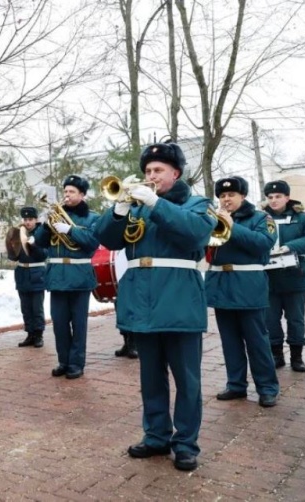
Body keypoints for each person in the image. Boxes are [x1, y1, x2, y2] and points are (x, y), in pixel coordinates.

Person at [94, 142, 215, 472]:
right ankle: (156, 435)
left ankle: (186, 443)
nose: (151, 176)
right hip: (142, 302)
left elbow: (195, 234)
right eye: (148, 171)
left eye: (158, 170)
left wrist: (157, 203)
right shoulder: (136, 207)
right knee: (151, 377)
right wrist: (118, 211)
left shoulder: (197, 203)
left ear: (175, 173)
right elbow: (106, 239)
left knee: (187, 380)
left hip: (179, 302)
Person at [205, 176, 279, 407]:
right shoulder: (213, 219)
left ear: (243, 196)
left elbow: (262, 243)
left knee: (256, 340)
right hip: (220, 284)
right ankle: (236, 385)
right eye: (223, 196)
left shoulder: (260, 217)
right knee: (230, 341)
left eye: (231, 195)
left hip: (248, 285)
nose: (226, 199)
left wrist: (232, 226)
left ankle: (267, 387)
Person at [33, 175, 99, 379]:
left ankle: (76, 363)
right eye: (65, 191)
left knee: (78, 324)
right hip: (56, 276)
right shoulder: (55, 216)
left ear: (82, 195)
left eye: (71, 192)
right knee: (59, 323)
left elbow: (92, 242)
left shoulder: (92, 218)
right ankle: (63, 360)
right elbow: (40, 243)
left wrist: (70, 230)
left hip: (79, 276)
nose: (67, 195)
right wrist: (44, 225)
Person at [263, 180, 305, 372]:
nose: (273, 200)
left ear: (287, 197)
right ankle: (276, 355)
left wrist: (290, 247)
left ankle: (297, 356)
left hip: (295, 276)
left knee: (295, 319)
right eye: (270, 197)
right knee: (270, 319)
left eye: (278, 196)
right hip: (269, 278)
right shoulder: (260, 218)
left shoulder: (302, 217)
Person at [9, 206, 48, 348]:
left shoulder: (41, 232)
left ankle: (38, 334)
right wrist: (11, 243)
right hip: (22, 274)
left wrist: (33, 244)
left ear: (36, 219)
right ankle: (30, 334)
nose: (27, 222)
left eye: (30, 219)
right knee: (25, 307)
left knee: (36, 307)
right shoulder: (20, 232)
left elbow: (43, 254)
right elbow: (13, 257)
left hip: (37, 273)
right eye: (25, 219)